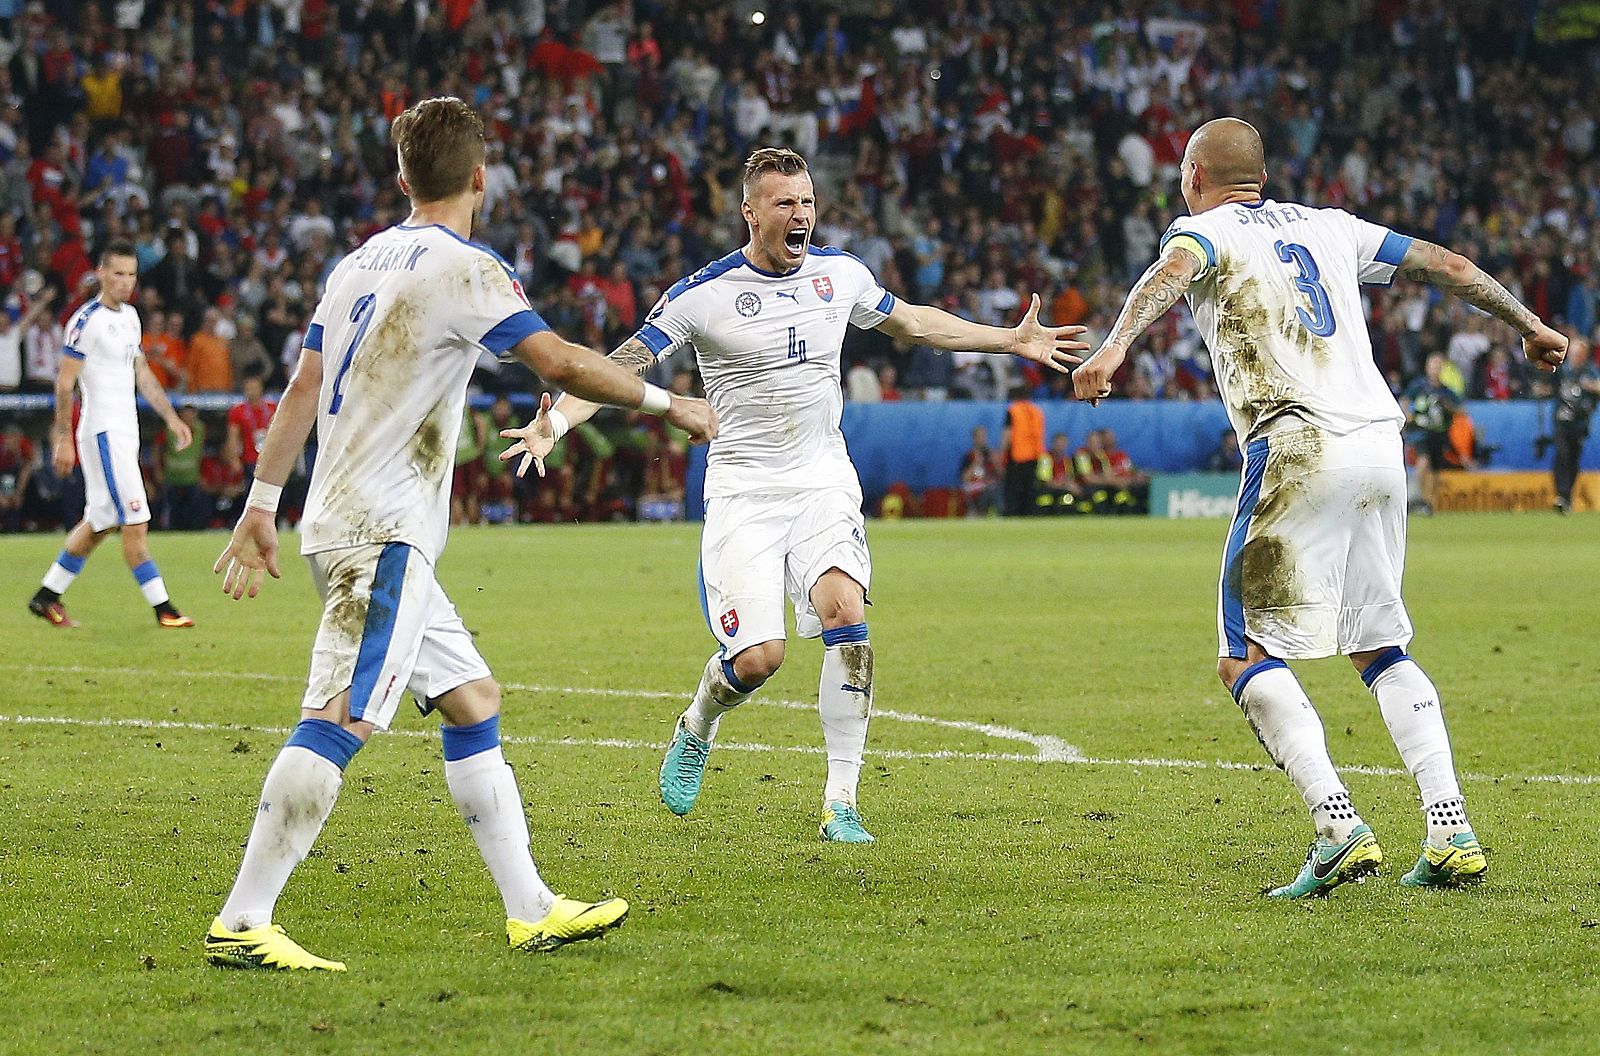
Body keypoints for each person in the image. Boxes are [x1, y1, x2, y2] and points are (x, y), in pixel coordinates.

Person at [205, 97, 716, 972]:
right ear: (480, 179)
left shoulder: (358, 263)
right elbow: (555, 362)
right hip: (383, 530)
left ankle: (532, 910)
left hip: (345, 515)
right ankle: (244, 917)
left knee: (473, 698)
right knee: (338, 717)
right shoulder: (464, 267)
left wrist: (261, 501)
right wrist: (673, 404)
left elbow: (299, 390)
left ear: (402, 178)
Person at [501, 146, 1085, 842]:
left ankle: (841, 803)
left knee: (846, 611)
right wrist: (558, 421)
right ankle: (698, 721)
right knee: (758, 661)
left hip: (822, 480)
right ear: (750, 212)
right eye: (785, 203)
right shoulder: (703, 294)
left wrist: (1009, 341)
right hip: (745, 491)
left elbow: (915, 323)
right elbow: (621, 364)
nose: (801, 214)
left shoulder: (840, 274)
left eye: (807, 201)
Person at [1072, 117, 1566, 897]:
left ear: (1195, 176)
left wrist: (1114, 345)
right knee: (1378, 645)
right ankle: (1450, 828)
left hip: (1298, 444)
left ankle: (1337, 825)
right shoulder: (1334, 226)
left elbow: (1170, 270)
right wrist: (1532, 324)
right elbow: (1446, 263)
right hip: (1380, 446)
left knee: (1242, 652)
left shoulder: (1204, 230)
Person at [27, 242, 196, 629]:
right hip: (102, 433)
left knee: (100, 523)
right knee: (136, 520)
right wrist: (63, 437)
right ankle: (164, 609)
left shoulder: (132, 317)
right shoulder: (86, 321)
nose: (125, 282)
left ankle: (45, 596)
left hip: (125, 431)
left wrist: (171, 417)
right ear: (101, 273)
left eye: (131, 274)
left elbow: (142, 374)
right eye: (117, 273)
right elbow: (64, 384)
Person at [1403, 353, 1457, 514]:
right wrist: (1406, 414)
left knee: (1435, 468)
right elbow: (1405, 399)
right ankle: (1417, 497)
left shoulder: (1446, 391)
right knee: (1423, 459)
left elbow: (1458, 408)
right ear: (1427, 367)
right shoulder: (1418, 386)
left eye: (1438, 366)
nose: (1435, 369)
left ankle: (1429, 501)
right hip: (1420, 430)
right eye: (1433, 365)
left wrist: (1447, 407)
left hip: (1438, 431)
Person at [1551, 336, 1599, 513]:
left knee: (1573, 459)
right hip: (1562, 421)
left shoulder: (1590, 372)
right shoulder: (1562, 371)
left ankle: (1567, 497)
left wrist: (1592, 387)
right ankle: (1561, 495)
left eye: (1580, 354)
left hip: (1579, 423)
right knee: (1561, 454)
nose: (1576, 357)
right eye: (1574, 354)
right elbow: (1549, 385)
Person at [1001, 384, 1045, 516]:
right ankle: (1029, 514)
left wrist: (1002, 452)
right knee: (1030, 488)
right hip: (1035, 455)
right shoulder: (1037, 411)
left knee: (1013, 489)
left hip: (1017, 455)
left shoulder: (1013, 410)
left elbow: (1008, 434)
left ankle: (1013, 514)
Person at [226, 374, 276, 484]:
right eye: (248, 389)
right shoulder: (238, 410)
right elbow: (233, 436)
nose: (251, 391)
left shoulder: (272, 407)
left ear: (261, 389)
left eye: (254, 388)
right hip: (249, 459)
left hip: (271, 459)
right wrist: (234, 458)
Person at [958, 425, 1001, 517]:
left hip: (991, 487)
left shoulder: (992, 454)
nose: (982, 439)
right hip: (975, 489)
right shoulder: (969, 456)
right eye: (979, 436)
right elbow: (964, 478)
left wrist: (996, 462)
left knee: (997, 490)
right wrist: (975, 463)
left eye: (983, 436)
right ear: (974, 439)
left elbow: (1001, 474)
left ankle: (1000, 515)